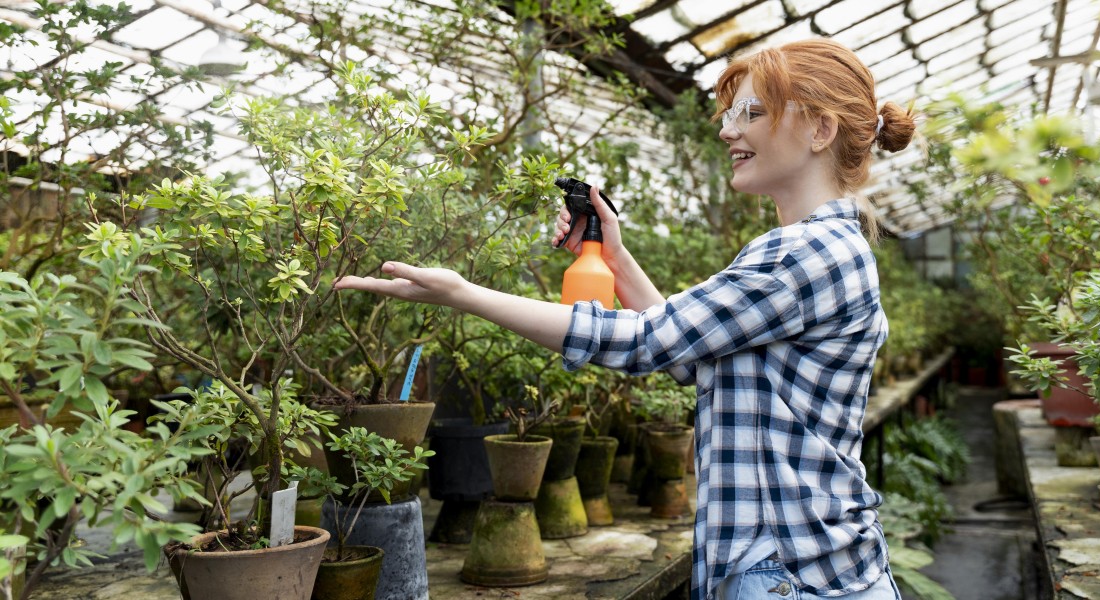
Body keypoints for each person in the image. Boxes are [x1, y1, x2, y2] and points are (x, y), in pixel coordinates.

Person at [335, 38, 915, 600]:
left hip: (793, 576)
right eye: (730, 114)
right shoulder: (816, 248)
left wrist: (464, 294)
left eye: (751, 113)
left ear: (820, 129)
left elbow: (645, 341)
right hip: (806, 569)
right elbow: (690, 355)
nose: (727, 130)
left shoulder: (804, 254)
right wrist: (613, 257)